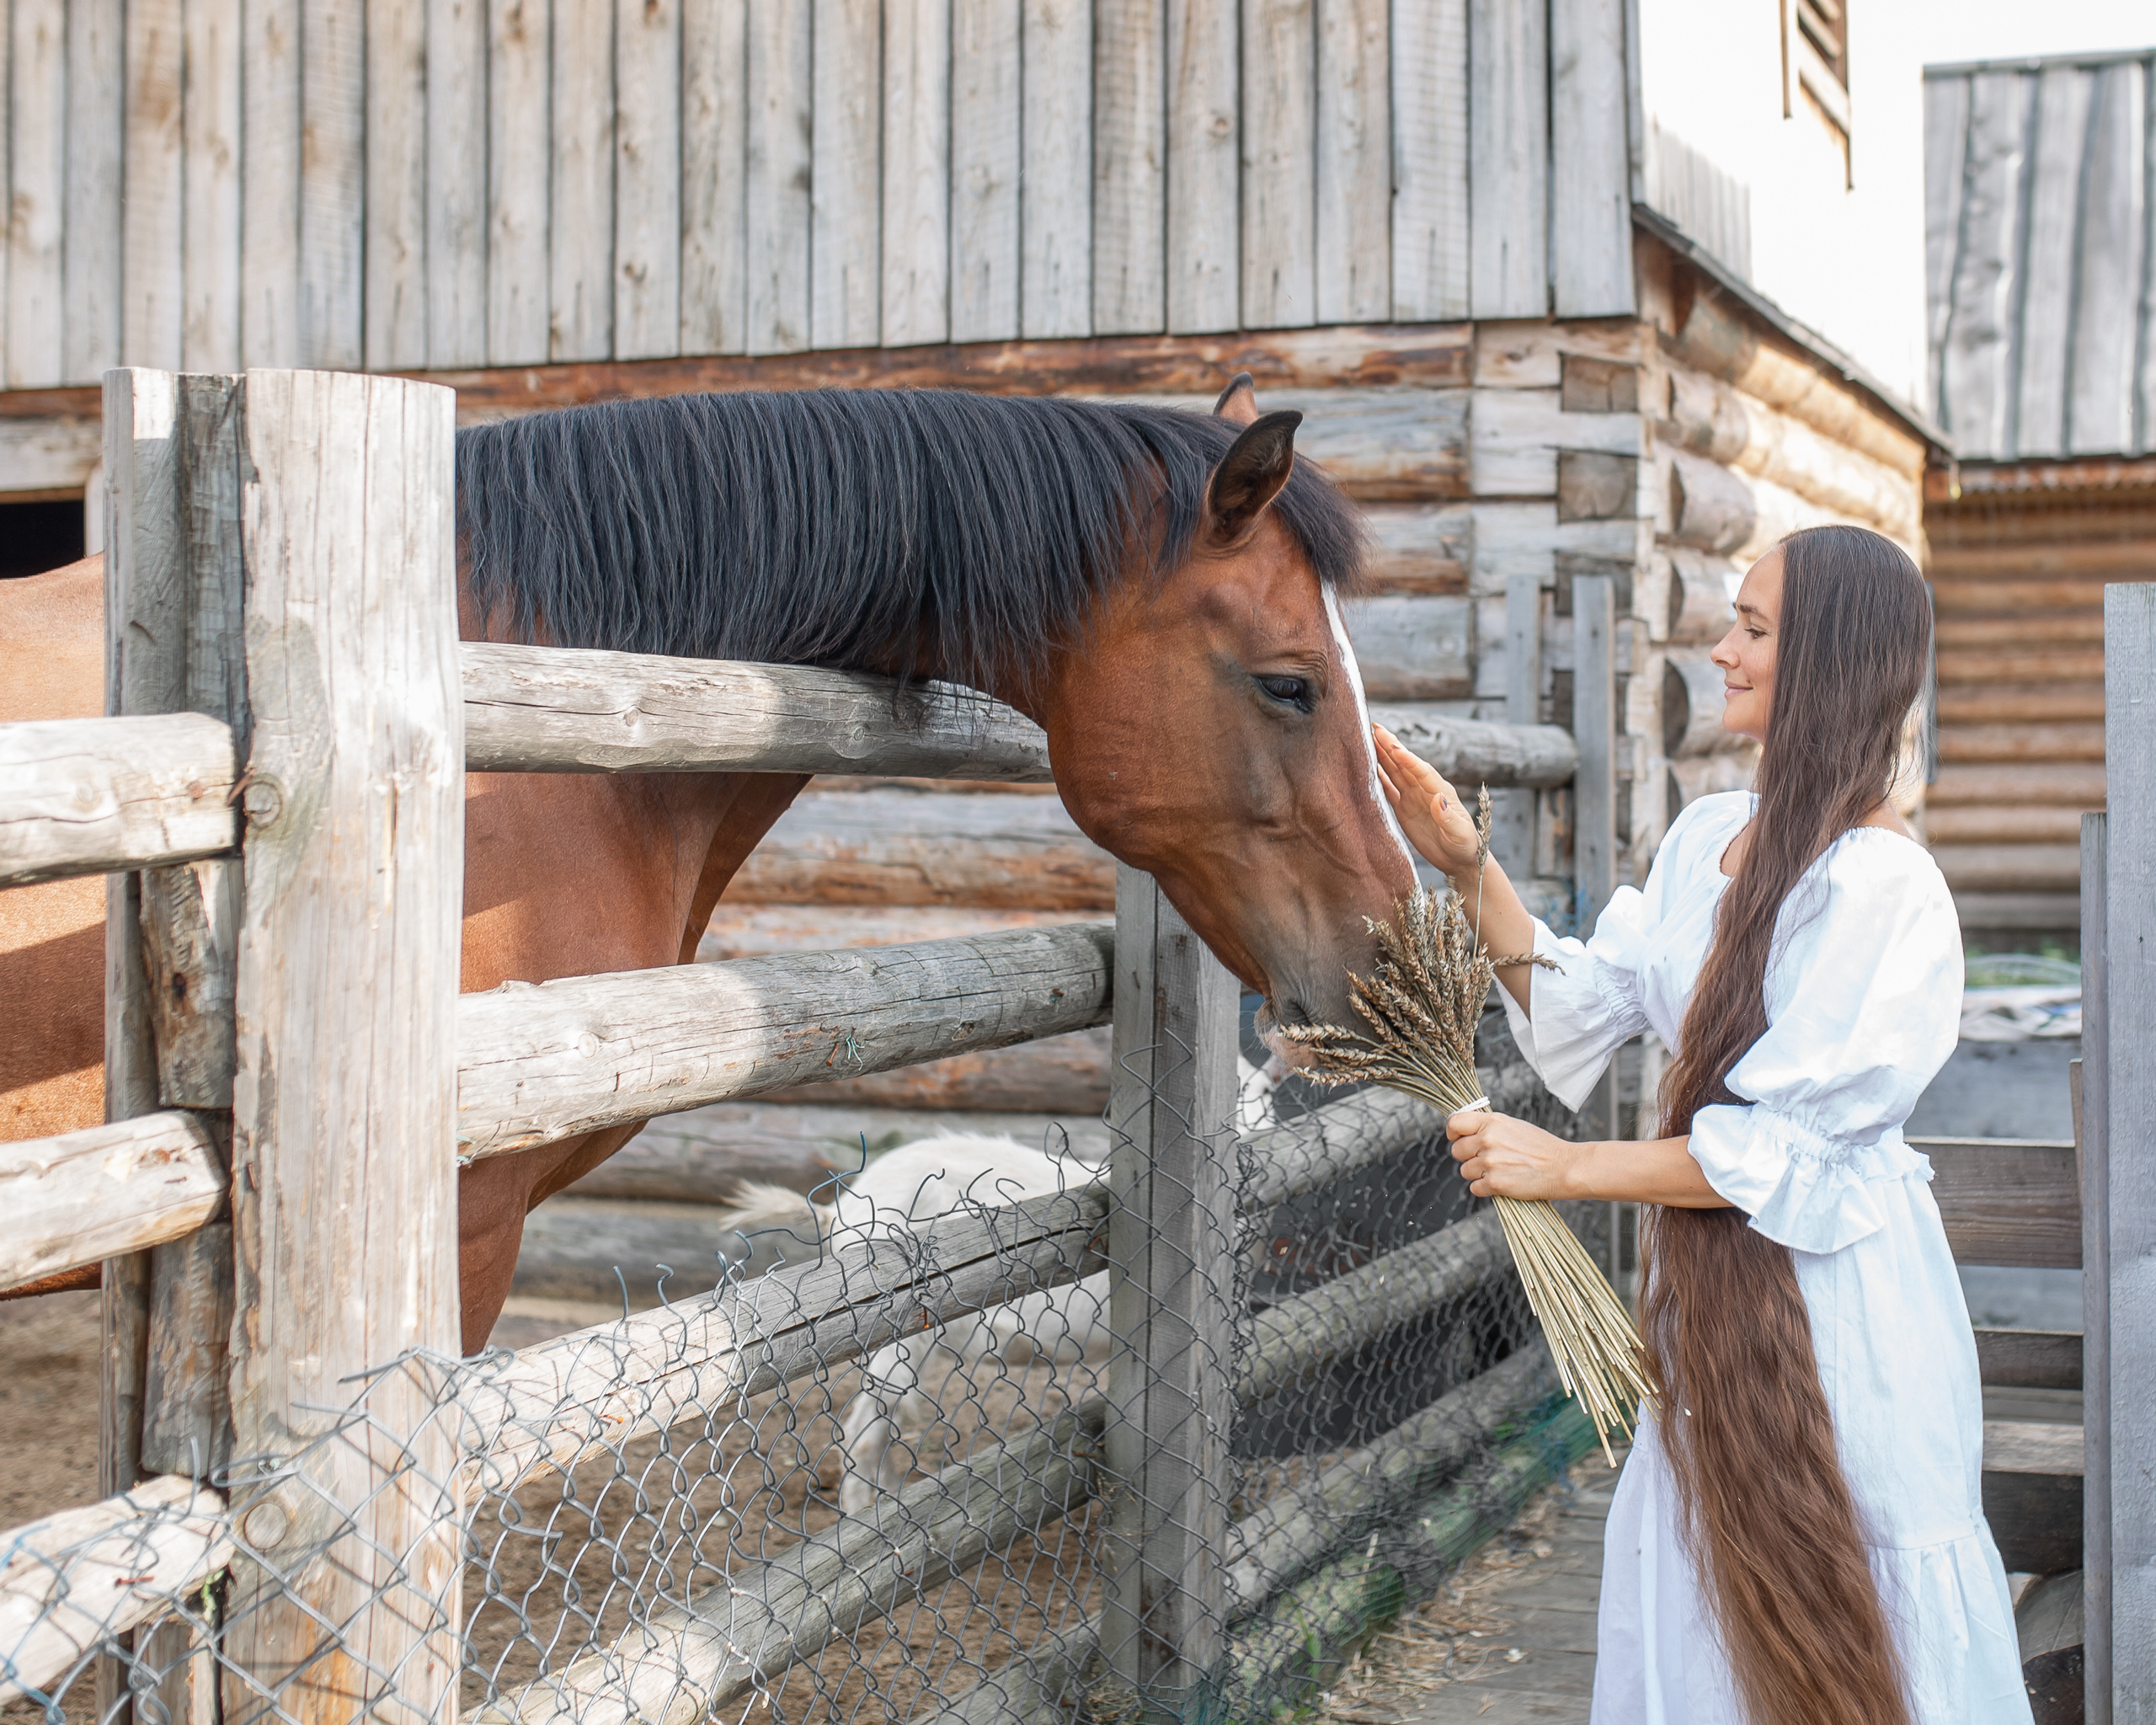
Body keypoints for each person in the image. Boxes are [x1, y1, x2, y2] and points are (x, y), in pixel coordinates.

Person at [1371, 525, 2031, 1725]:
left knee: (1854, 1603)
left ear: (1830, 660)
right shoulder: (1701, 840)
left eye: (1756, 629)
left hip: (1836, 1323)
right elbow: (1574, 1005)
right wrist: (1468, 867)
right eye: (1730, 622)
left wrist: (1567, 1168)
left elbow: (1785, 1151)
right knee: (1707, 1602)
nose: (1720, 652)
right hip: (1713, 1315)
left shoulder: (1885, 888)